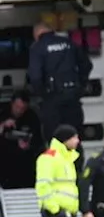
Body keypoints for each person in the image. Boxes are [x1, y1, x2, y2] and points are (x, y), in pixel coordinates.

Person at [27, 22, 93, 155]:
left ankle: (58, 172)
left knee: (55, 141)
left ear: (36, 34)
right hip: (72, 98)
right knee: (74, 138)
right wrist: (80, 85)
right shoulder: (69, 43)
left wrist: (42, 94)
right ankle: (76, 171)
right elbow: (86, 65)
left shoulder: (38, 48)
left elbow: (35, 77)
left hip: (53, 101)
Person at [1, 92, 43, 189]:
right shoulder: (3, 113)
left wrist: (28, 145)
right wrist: (3, 126)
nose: (19, 111)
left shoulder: (31, 117)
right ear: (12, 104)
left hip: (24, 163)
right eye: (17, 107)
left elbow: (38, 140)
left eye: (22, 108)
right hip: (4, 162)